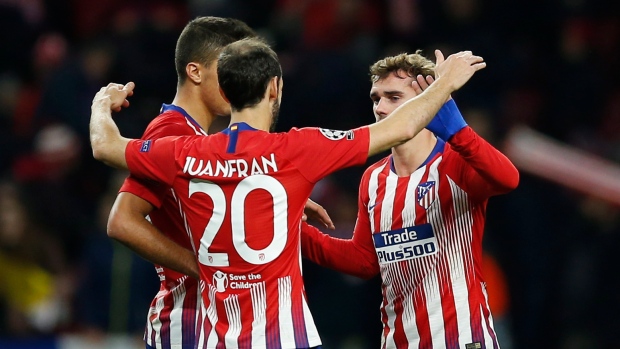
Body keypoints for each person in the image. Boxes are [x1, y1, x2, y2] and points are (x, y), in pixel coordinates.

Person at [89, 38, 486, 348]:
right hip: (283, 336)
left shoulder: (183, 152)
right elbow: (397, 129)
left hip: (215, 338)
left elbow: (105, 146)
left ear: (225, 93)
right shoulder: (297, 150)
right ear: (275, 88)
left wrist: (103, 102)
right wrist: (446, 83)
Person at [105, 17, 334, 349]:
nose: (237, 79)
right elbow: (122, 221)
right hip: (185, 320)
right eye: (228, 67)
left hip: (212, 320)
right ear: (195, 72)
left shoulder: (201, 139)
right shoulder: (171, 131)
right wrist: (202, 268)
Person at [300, 51, 519, 348]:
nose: (380, 108)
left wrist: (460, 131)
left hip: (460, 340)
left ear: (424, 102)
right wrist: (294, 231)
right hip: (398, 341)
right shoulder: (373, 179)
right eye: (376, 98)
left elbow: (508, 178)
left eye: (393, 97)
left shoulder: (454, 162)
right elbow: (364, 261)